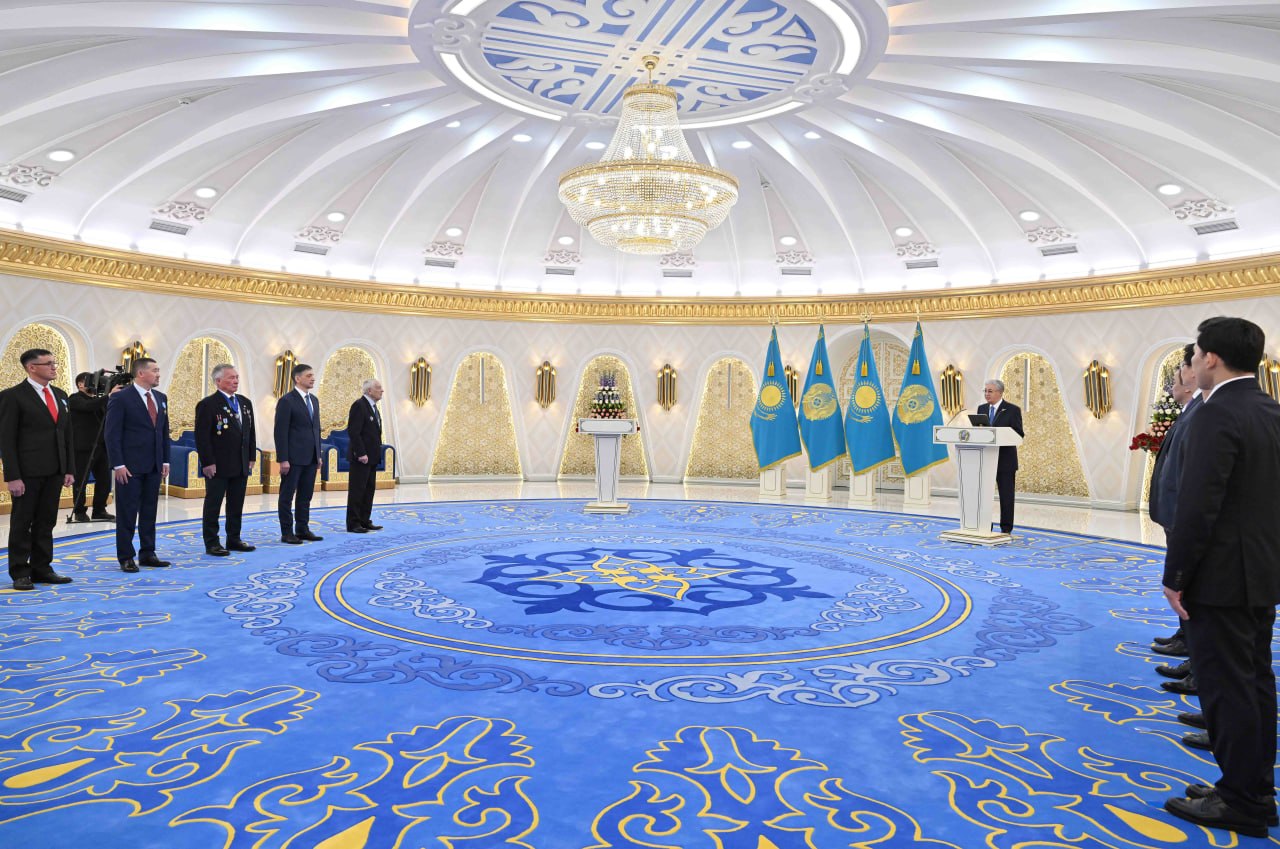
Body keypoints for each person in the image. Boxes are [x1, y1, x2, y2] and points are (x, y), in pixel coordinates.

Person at [1161, 316, 1280, 839]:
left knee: (1227, 689)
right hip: (1260, 572)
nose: (1194, 363)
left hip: (1221, 577)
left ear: (1210, 357)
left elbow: (1198, 505)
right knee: (1255, 683)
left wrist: (1176, 574)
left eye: (1195, 355)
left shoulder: (1215, 415)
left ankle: (1242, 801)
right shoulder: (1270, 409)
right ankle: (1253, 789)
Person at [0, 349, 75, 591]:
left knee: (46, 521)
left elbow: (66, 435)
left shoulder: (61, 395)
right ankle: (20, 571)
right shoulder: (12, 396)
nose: (54, 367)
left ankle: (42, 568)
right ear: (31, 367)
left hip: (55, 470)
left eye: (55, 363)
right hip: (27, 472)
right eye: (48, 363)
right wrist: (13, 476)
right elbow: (6, 440)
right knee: (22, 523)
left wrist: (69, 468)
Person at [1148, 345, 1200, 660]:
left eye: (1179, 373)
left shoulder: (1202, 412)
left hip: (1183, 515)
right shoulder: (1190, 411)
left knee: (1190, 582)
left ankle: (1191, 645)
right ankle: (1186, 638)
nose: (1172, 384)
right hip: (1174, 513)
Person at [104, 357, 171, 573]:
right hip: (129, 467)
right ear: (141, 373)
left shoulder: (160, 398)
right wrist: (118, 464)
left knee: (150, 511)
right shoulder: (121, 397)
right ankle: (126, 556)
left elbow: (163, 432)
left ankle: (148, 552)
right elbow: (111, 434)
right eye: (155, 370)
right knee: (127, 513)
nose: (158, 374)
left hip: (154, 465)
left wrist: (165, 459)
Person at [195, 364, 257, 556]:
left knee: (236, 503)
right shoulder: (208, 404)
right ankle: (212, 542)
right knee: (213, 504)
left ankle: (234, 538)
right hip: (218, 464)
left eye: (236, 377)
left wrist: (251, 456)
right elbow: (202, 437)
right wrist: (207, 462)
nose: (235, 381)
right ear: (218, 381)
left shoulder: (245, 402)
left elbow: (250, 431)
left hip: (241, 462)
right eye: (231, 377)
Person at [274, 362, 323, 545]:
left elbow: (316, 429)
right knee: (287, 496)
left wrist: (318, 455)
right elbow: (280, 432)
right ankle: (287, 532)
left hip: (311, 458)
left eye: (313, 375)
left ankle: (303, 529)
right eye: (309, 376)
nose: (313, 379)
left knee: (305, 496)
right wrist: (283, 459)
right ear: (297, 378)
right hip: (293, 458)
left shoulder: (314, 400)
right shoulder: (287, 401)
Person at [67, 371, 119, 522]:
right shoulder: (74, 399)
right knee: (81, 480)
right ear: (80, 384)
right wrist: (108, 396)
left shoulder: (98, 400)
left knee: (104, 480)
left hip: (101, 447)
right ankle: (79, 511)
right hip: (83, 447)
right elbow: (87, 407)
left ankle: (99, 510)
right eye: (89, 380)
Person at [976, 379, 1024, 535]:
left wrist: (1000, 434)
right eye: (985, 391)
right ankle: (984, 525)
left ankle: (1006, 528)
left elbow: (1019, 434)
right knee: (983, 495)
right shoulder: (981, 409)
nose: (986, 394)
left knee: (1006, 496)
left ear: (1000, 392)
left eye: (990, 391)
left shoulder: (1012, 410)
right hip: (985, 459)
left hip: (1005, 461)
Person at [345, 378, 385, 533]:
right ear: (369, 391)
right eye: (378, 388)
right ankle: (353, 523)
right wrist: (361, 453)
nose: (382, 390)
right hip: (361, 458)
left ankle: (364, 520)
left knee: (369, 490)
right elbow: (354, 432)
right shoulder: (359, 405)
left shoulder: (373, 407)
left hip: (372, 457)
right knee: (357, 491)